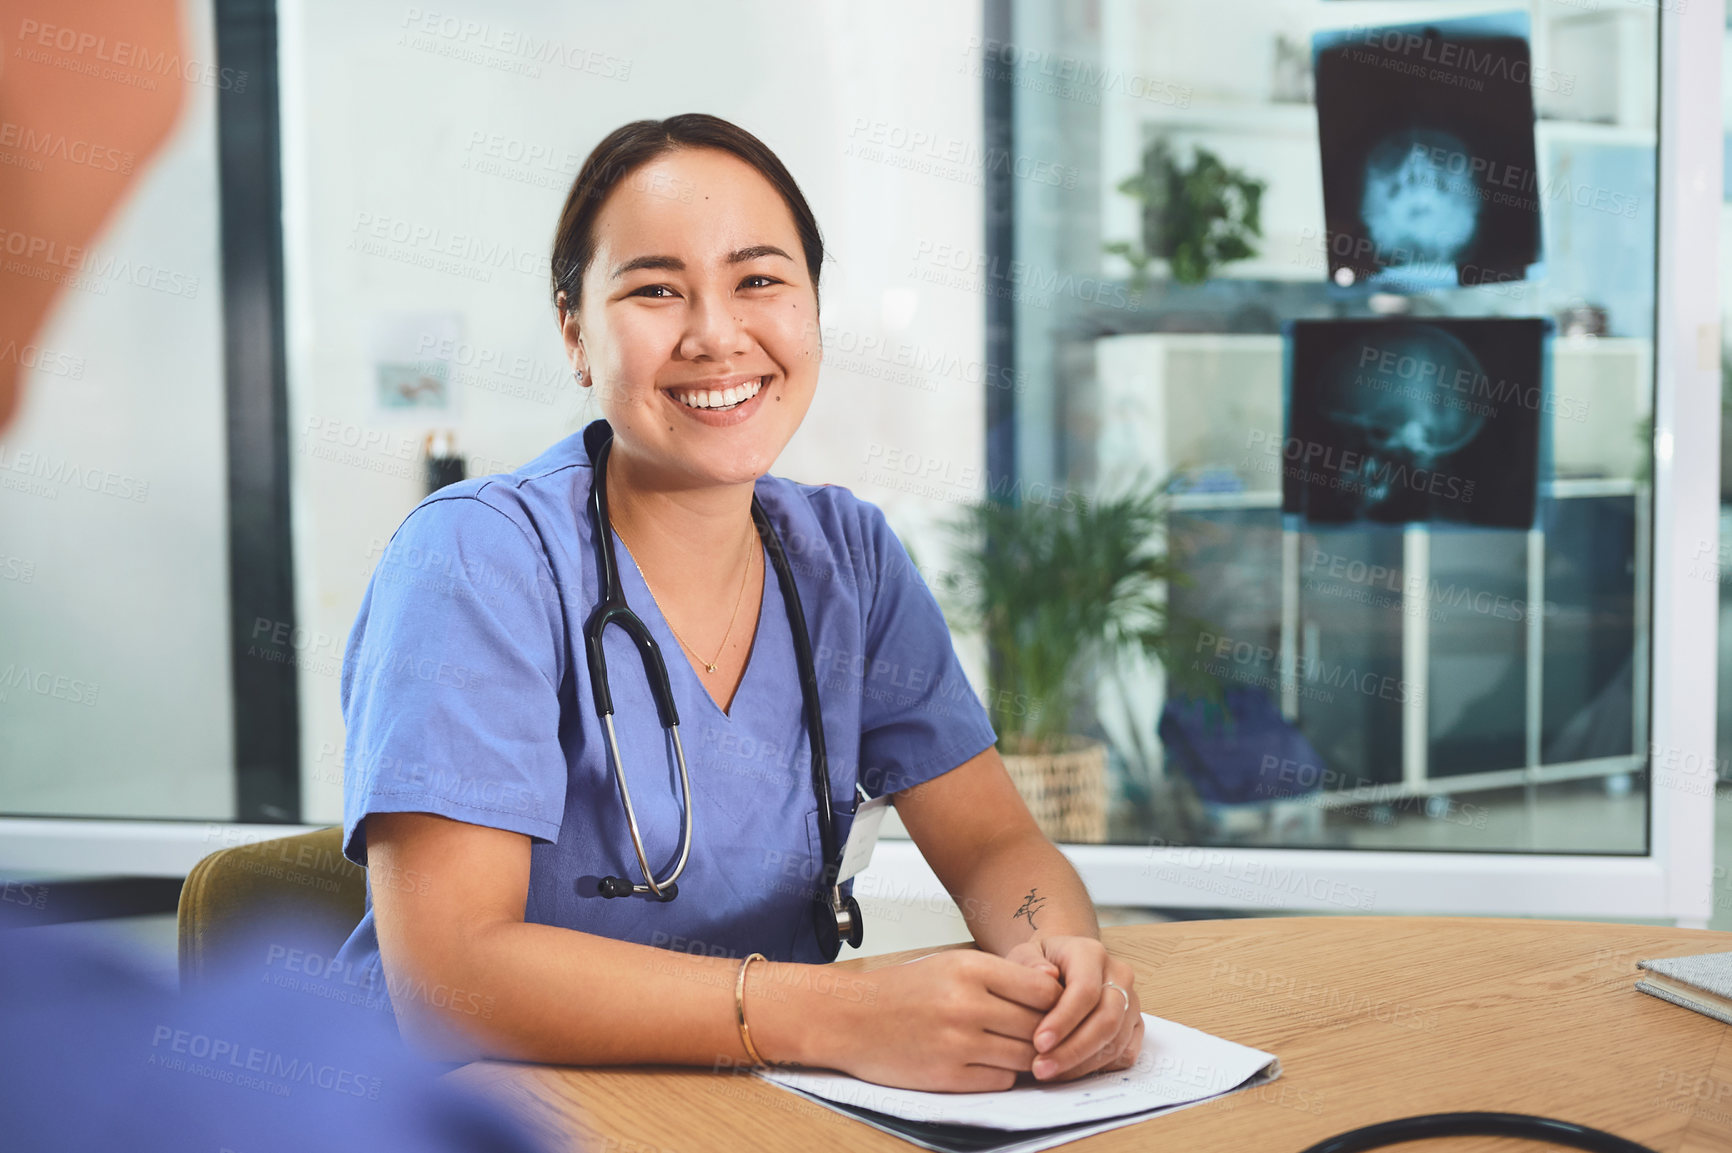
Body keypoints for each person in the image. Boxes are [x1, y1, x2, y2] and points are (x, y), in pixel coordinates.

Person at [333, 113, 1143, 1093]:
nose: (717, 334)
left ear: (810, 308)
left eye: (759, 280)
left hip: (743, 1108)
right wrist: (833, 1013)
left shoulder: (848, 559)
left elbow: (994, 844)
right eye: (654, 289)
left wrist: (1053, 963)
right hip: (452, 1112)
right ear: (574, 329)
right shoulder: (473, 559)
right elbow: (448, 980)